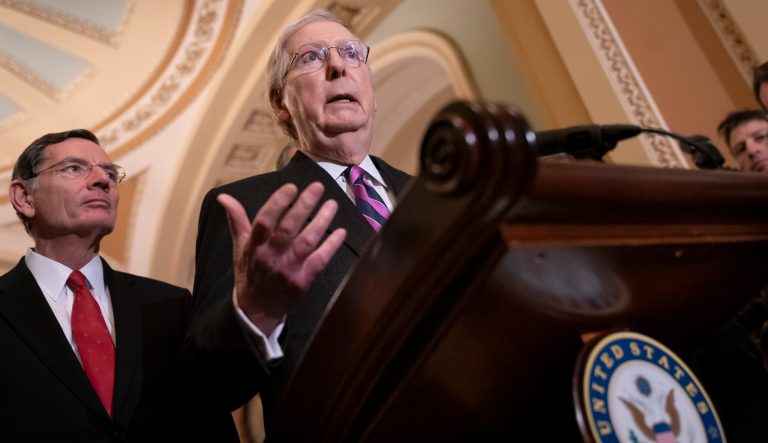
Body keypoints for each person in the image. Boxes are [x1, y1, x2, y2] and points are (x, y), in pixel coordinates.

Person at [186, 8, 412, 433]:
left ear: (371, 89)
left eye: (351, 53)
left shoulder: (435, 197)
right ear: (280, 104)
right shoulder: (244, 205)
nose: (337, 66)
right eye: (311, 57)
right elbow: (205, 386)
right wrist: (255, 313)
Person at [2, 129, 238, 441]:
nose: (103, 180)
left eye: (110, 173)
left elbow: (208, 418)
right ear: (24, 197)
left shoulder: (171, 304)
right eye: (74, 168)